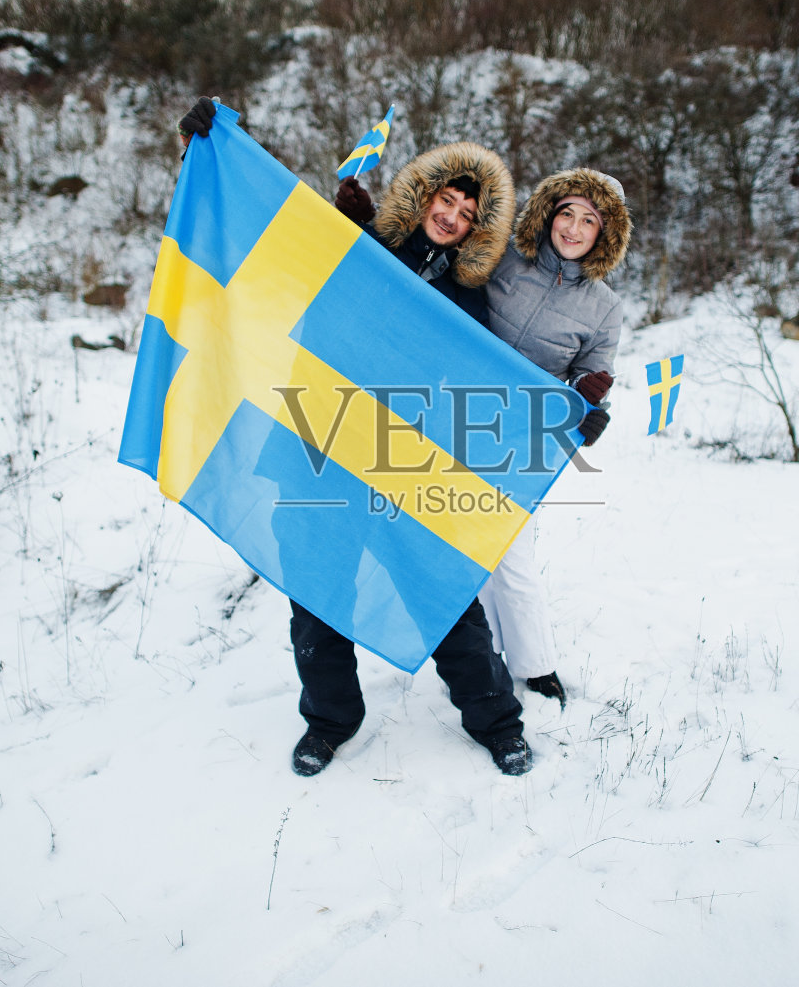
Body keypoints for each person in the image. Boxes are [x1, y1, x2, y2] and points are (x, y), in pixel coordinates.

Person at [179, 98, 534, 777]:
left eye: (468, 215)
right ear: (424, 195)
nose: (452, 216)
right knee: (317, 598)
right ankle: (330, 720)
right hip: (316, 447)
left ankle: (495, 719)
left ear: (474, 232)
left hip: (405, 463)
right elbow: (261, 217)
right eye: (447, 200)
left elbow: (499, 373)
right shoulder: (354, 242)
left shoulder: (469, 302)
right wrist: (220, 140)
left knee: (446, 596)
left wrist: (572, 401)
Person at [476, 168, 631, 707]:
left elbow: (592, 380)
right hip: (453, 415)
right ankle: (483, 654)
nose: (573, 226)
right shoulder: (503, 256)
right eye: (567, 212)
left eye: (589, 220)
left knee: (510, 556)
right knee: (462, 548)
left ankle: (536, 668)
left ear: (603, 234)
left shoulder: (605, 306)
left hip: (522, 437)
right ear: (547, 214)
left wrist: (592, 401)